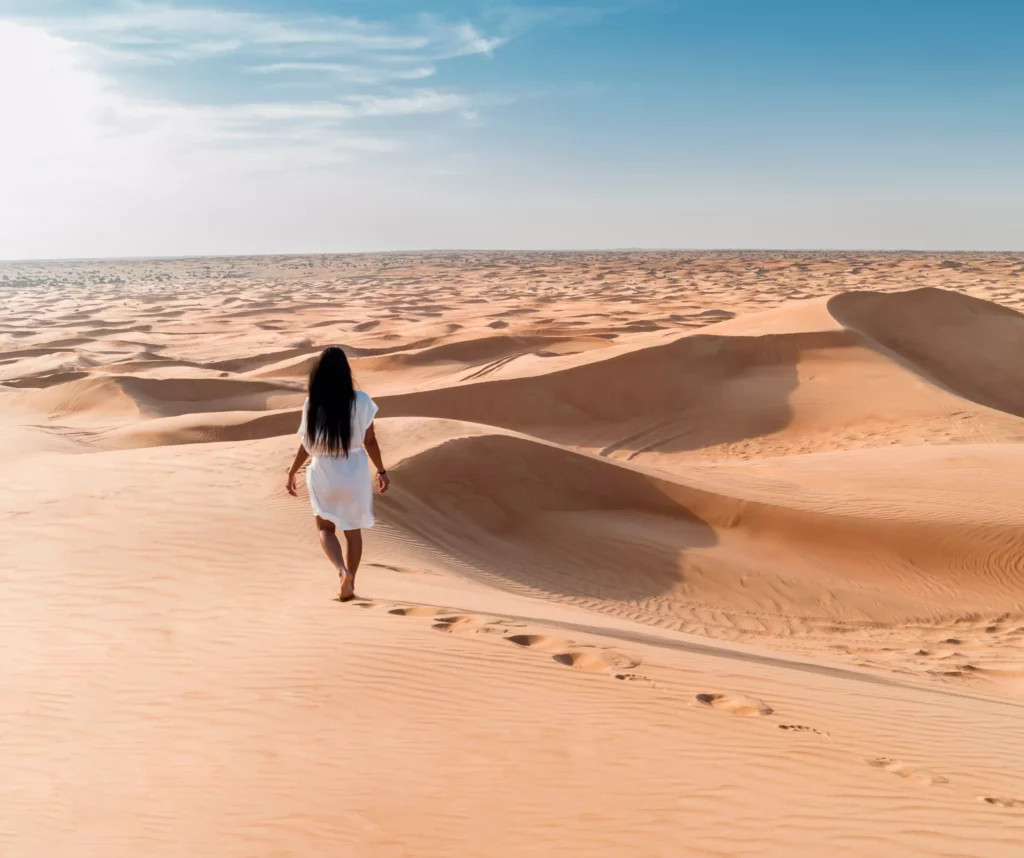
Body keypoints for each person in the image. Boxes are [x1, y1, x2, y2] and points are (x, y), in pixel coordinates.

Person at [286, 346, 389, 601]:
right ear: (346, 372)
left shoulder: (313, 403)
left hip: (323, 470)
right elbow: (371, 441)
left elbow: (306, 444)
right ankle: (351, 580)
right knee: (353, 532)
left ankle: (341, 571)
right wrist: (382, 471)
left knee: (325, 528)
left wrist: (292, 471)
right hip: (353, 470)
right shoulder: (362, 401)